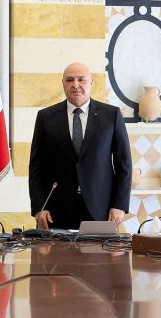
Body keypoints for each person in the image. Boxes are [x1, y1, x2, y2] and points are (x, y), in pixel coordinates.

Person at [29, 62, 132, 229]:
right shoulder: (45, 117)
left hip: (102, 210)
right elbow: (36, 167)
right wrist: (39, 207)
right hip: (56, 211)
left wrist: (119, 205)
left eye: (81, 80)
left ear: (91, 82)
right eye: (69, 80)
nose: (75, 85)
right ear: (63, 83)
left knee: (98, 254)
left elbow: (124, 164)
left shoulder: (111, 115)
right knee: (58, 255)